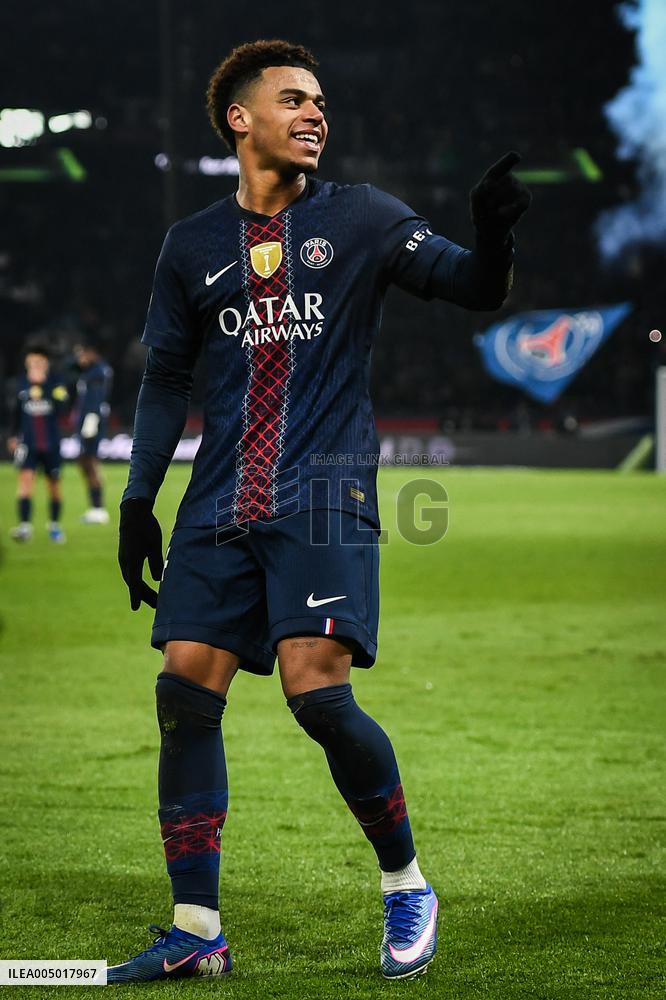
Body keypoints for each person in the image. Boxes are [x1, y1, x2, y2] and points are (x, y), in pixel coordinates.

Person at [113, 39, 530, 984]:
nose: (315, 114)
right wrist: (140, 498)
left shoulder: (365, 217)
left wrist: (495, 235)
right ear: (240, 119)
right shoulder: (191, 245)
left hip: (324, 493)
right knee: (183, 694)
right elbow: (165, 380)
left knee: (318, 695)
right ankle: (196, 931)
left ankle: (406, 886)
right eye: (295, 99)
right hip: (219, 498)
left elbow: (474, 286)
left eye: (322, 104)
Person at [7, 344, 69, 543]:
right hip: (28, 445)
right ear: (27, 363)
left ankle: (54, 527)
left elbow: (63, 409)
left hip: (51, 445)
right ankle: (25, 527)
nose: (36, 365)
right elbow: (16, 413)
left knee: (54, 487)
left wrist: (45, 389)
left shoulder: (56, 384)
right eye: (32, 362)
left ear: (46, 364)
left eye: (39, 362)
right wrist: (13, 436)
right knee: (25, 483)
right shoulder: (21, 385)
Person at [72, 342, 113, 523]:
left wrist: (91, 420)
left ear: (91, 353)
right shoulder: (93, 371)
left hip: (92, 420)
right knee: (85, 462)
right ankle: (95, 508)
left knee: (90, 462)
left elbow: (97, 399)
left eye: (81, 354)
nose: (79, 359)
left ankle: (98, 509)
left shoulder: (98, 372)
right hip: (87, 419)